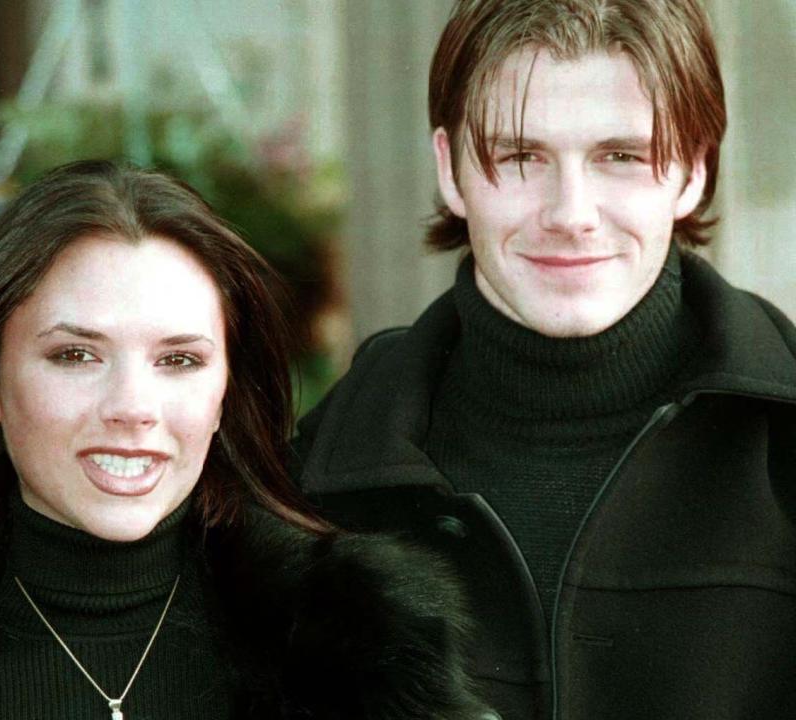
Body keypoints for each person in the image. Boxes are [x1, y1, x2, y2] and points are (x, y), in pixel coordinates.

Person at [0, 160, 490, 719]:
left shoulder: (365, 642)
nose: (132, 408)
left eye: (178, 360)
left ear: (223, 394)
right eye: (75, 355)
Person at [293, 1, 796, 718]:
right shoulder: (316, 485)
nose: (571, 212)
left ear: (692, 171)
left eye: (620, 157)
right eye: (521, 157)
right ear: (450, 170)